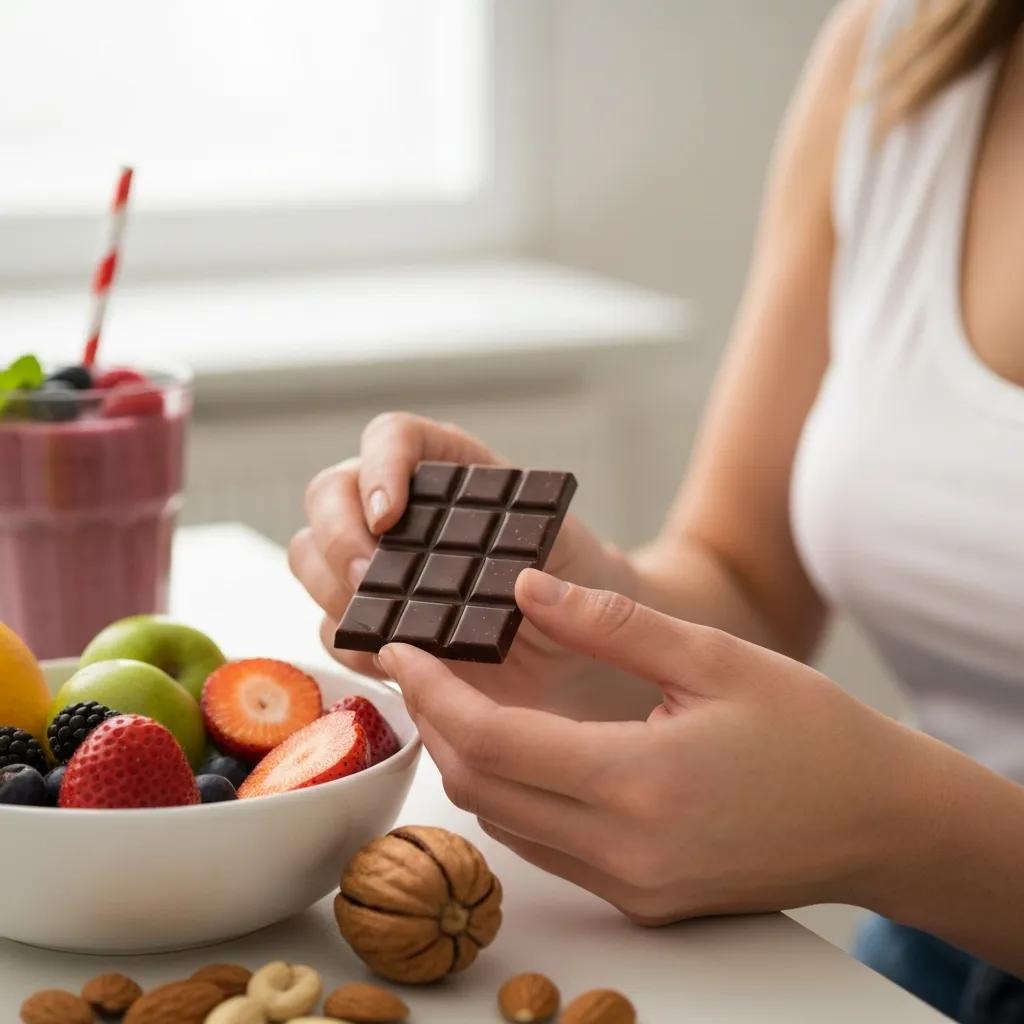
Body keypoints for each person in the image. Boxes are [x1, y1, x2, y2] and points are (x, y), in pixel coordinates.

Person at [289, 0, 1024, 1019]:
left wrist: (895, 833)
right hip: (919, 967)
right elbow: (747, 579)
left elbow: (895, 829)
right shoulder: (906, 53)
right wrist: (584, 611)